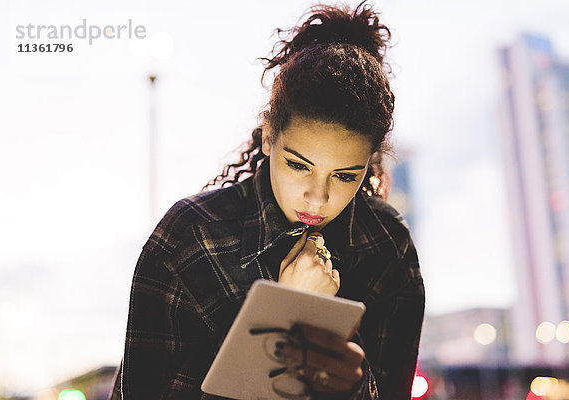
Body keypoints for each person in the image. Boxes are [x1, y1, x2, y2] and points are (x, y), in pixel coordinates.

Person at [109, 2, 425, 399]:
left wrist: (356, 387)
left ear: (370, 163)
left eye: (345, 175)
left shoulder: (386, 246)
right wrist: (287, 310)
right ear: (269, 134)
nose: (318, 196)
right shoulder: (191, 238)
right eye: (298, 165)